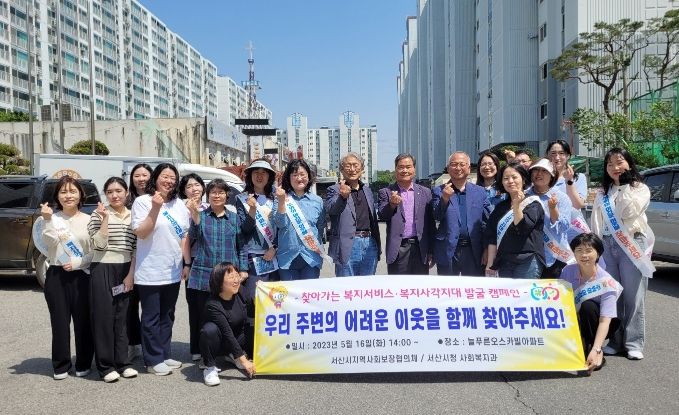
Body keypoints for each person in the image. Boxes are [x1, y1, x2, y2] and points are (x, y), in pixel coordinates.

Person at [591, 148, 655, 360]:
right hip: (607, 244)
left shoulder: (640, 188)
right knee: (613, 294)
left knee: (633, 295)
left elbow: (628, 212)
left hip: (631, 242)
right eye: (610, 164)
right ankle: (615, 341)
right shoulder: (603, 192)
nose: (615, 167)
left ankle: (634, 342)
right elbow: (596, 222)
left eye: (619, 162)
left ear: (629, 163)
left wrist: (625, 186)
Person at [131, 163, 189, 375]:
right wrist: (155, 208)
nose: (169, 181)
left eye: (173, 178)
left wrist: (186, 263)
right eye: (165, 176)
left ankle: (164, 353)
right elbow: (141, 233)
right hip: (150, 270)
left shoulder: (179, 204)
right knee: (151, 317)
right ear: (155, 178)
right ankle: (152, 360)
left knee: (167, 315)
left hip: (172, 270)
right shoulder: (142, 201)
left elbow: (184, 236)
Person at [185, 178, 248, 363]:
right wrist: (194, 215)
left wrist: (243, 269)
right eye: (213, 192)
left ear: (227, 195)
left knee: (230, 316)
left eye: (221, 192)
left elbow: (241, 246)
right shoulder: (201, 216)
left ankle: (230, 351)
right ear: (208, 195)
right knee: (202, 316)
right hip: (204, 274)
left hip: (229, 277)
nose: (217, 195)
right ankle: (203, 353)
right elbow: (193, 236)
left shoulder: (234, 218)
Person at [40, 176, 94, 380]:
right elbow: (49, 244)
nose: (68, 195)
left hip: (82, 275)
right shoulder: (50, 218)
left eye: (72, 191)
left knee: (83, 322)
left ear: (80, 195)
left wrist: (78, 263)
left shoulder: (89, 220)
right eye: (63, 192)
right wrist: (47, 220)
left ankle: (84, 362)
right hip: (57, 274)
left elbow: (95, 251)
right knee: (59, 323)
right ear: (57, 196)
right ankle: (61, 364)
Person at [87, 177, 138, 382]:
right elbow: (98, 245)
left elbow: (136, 249)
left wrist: (130, 274)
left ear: (127, 192)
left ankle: (123, 363)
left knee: (122, 317)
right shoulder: (97, 214)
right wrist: (105, 219)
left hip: (125, 268)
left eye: (118, 191)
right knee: (103, 317)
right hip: (102, 267)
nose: (114, 195)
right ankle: (106, 366)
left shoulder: (134, 215)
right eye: (109, 192)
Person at [560, 233, 622, 374]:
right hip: (574, 319)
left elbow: (605, 321)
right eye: (579, 250)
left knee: (588, 306)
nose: (584, 255)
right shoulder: (567, 271)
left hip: (598, 322)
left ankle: (592, 348)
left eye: (589, 250)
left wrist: (597, 349)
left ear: (598, 253)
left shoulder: (606, 282)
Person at [432, 152, 489, 276]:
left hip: (474, 250)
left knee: (473, 286)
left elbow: (486, 223)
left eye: (462, 164)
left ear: (469, 168)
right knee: (448, 287)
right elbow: (436, 216)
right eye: (454, 164)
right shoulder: (438, 191)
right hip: (448, 249)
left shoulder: (480, 192)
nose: (458, 168)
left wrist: (486, 248)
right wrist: (445, 198)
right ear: (448, 169)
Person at [484, 162, 545, 279]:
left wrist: (516, 206)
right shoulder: (500, 207)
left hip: (528, 261)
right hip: (504, 262)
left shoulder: (533, 203)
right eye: (506, 178)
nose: (510, 181)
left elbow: (522, 228)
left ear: (523, 179)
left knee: (526, 291)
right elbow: (492, 236)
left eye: (514, 177)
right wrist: (490, 263)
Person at [325, 152, 381, 277]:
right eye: (348, 165)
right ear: (341, 169)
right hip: (347, 245)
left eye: (356, 165)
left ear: (362, 169)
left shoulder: (367, 190)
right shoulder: (334, 189)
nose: (352, 169)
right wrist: (342, 197)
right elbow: (332, 210)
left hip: (369, 243)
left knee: (367, 285)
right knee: (347, 285)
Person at [200, 262, 256, 386]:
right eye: (231, 277)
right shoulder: (212, 305)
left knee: (254, 325)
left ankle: (235, 355)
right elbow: (227, 334)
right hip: (220, 343)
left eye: (237, 275)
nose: (236, 280)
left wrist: (262, 291)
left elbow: (254, 312)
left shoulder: (241, 291)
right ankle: (209, 367)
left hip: (238, 338)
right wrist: (245, 362)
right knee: (209, 330)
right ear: (219, 281)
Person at [378, 153, 434, 275]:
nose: (405, 170)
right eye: (401, 167)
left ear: (414, 169)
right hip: (399, 248)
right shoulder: (386, 192)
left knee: (420, 285)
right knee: (398, 284)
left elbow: (430, 223)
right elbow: (382, 215)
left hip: (420, 247)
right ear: (395, 169)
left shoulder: (426, 192)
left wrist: (431, 250)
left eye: (408, 167)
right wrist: (392, 205)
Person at [272, 159, 326, 280]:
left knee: (310, 292)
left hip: (311, 258)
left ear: (309, 176)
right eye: (295, 175)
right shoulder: (280, 198)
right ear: (289, 178)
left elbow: (320, 227)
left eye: (302, 174)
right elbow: (279, 224)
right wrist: (281, 202)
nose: (299, 178)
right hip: (287, 258)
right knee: (290, 293)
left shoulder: (317, 201)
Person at [237, 159, 279, 301]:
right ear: (250, 176)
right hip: (254, 257)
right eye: (256, 172)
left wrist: (275, 247)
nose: (259, 176)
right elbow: (244, 230)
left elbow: (282, 227)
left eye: (263, 173)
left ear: (269, 177)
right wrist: (252, 210)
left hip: (276, 255)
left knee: (275, 300)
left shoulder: (276, 198)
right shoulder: (242, 199)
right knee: (254, 299)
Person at [178, 172, 208, 362]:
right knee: (195, 305)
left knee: (210, 305)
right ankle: (196, 346)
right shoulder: (179, 209)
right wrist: (187, 263)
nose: (194, 189)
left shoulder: (209, 207)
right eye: (189, 186)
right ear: (183, 191)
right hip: (191, 260)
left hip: (209, 260)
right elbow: (184, 238)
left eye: (197, 185)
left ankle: (212, 345)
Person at [526, 158, 573, 278]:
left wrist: (553, 209)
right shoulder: (524, 196)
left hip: (554, 255)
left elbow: (564, 227)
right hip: (528, 256)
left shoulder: (561, 197)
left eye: (544, 171)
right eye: (536, 170)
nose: (539, 173)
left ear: (552, 175)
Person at [125, 163, 152, 361]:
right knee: (130, 305)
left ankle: (151, 346)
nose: (141, 179)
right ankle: (132, 343)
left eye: (145, 175)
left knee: (151, 308)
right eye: (137, 175)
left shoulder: (157, 199)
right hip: (129, 258)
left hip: (150, 258)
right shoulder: (125, 200)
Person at [547, 140, 588, 210]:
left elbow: (578, 205)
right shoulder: (543, 178)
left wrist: (569, 181)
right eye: (553, 153)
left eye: (561, 153)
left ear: (568, 156)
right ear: (548, 155)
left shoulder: (578, 178)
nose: (557, 157)